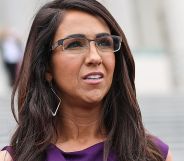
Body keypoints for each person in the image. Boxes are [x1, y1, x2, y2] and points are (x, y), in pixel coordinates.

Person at [0, 0, 173, 161]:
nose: (95, 57)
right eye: (75, 44)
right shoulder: (13, 158)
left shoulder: (154, 155)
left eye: (104, 43)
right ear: (46, 67)